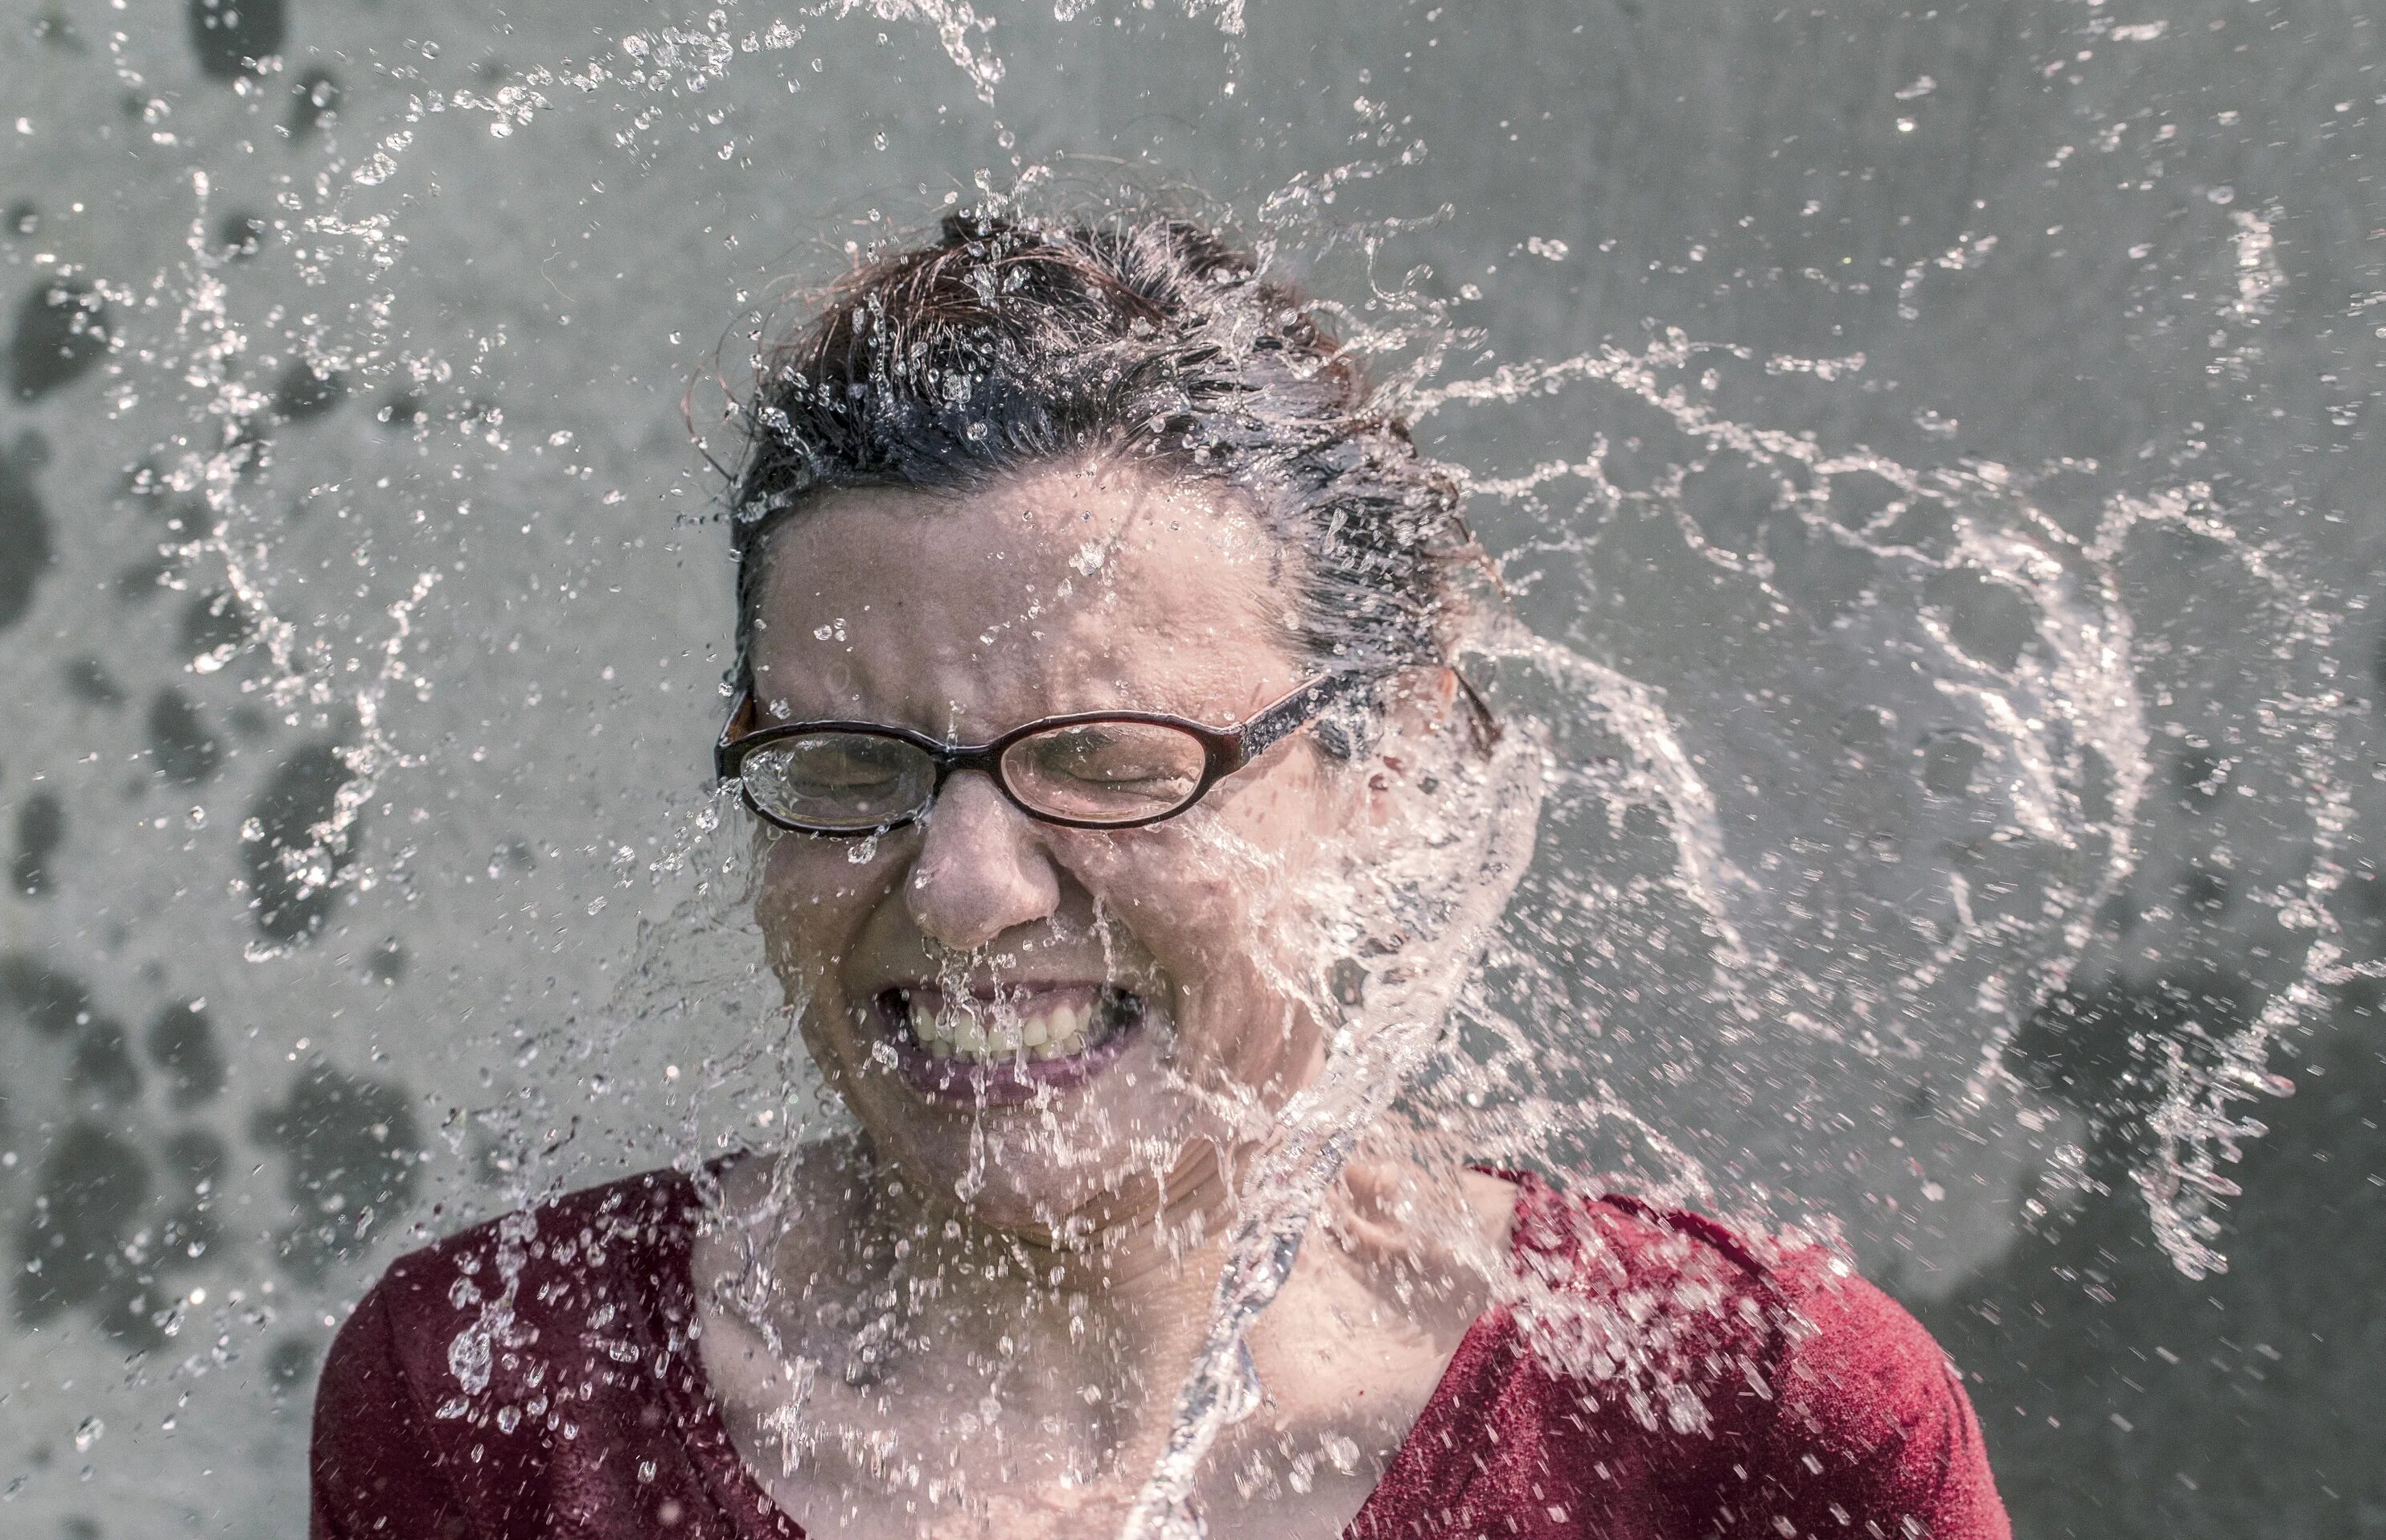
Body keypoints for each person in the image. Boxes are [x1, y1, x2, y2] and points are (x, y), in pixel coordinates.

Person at [310, 208, 2010, 1539]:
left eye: (1111, 762)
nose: (964, 887)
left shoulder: (1754, 1420)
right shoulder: (495, 1390)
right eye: (847, 769)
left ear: (1393, 768)